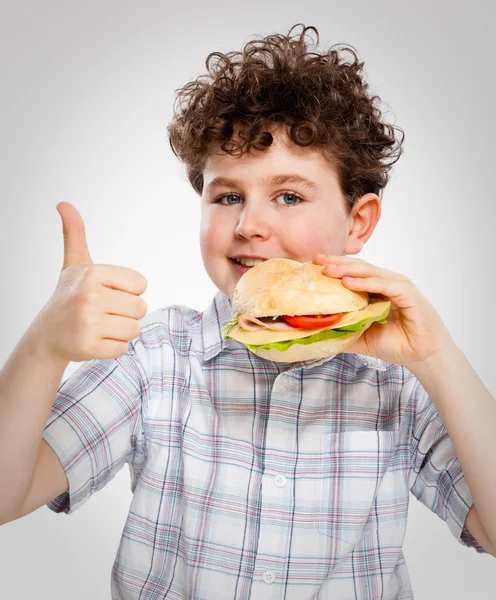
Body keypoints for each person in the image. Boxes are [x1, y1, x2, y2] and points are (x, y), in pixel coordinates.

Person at [0, 23, 494, 600]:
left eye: (289, 195)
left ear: (358, 222)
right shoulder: (157, 355)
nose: (249, 224)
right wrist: (43, 348)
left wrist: (439, 358)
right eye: (228, 195)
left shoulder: (397, 381)